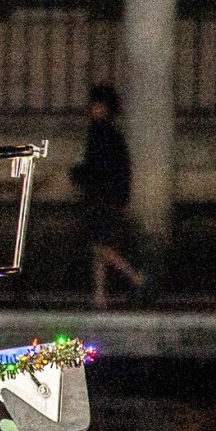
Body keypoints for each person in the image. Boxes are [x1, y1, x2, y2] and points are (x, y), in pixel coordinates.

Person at [70, 84, 146, 309]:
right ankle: (99, 295)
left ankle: (136, 277)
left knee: (99, 247)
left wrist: (78, 175)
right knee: (99, 245)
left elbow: (97, 168)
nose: (94, 109)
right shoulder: (109, 134)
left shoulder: (101, 134)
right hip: (107, 198)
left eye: (98, 106)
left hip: (102, 199)